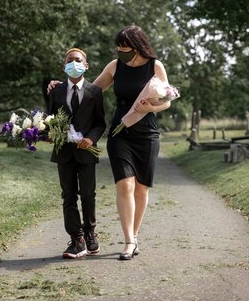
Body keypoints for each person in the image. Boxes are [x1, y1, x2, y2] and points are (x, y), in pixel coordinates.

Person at [48, 27, 172, 260]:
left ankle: (133, 238)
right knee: (125, 185)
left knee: (142, 188)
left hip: (147, 134)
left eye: (125, 50)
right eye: (119, 50)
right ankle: (128, 241)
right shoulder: (115, 66)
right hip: (120, 133)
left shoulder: (155, 66)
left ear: (137, 47)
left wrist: (151, 107)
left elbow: (167, 101)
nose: (121, 53)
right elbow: (89, 91)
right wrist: (61, 86)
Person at [48, 48, 106, 259]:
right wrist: (51, 133)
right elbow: (50, 119)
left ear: (86, 65)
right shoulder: (55, 91)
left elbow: (100, 122)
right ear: (64, 66)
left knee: (88, 195)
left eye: (78, 60)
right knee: (68, 196)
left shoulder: (95, 92)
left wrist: (91, 139)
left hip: (86, 152)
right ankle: (76, 238)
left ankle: (90, 232)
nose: (74, 63)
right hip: (64, 152)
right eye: (70, 61)